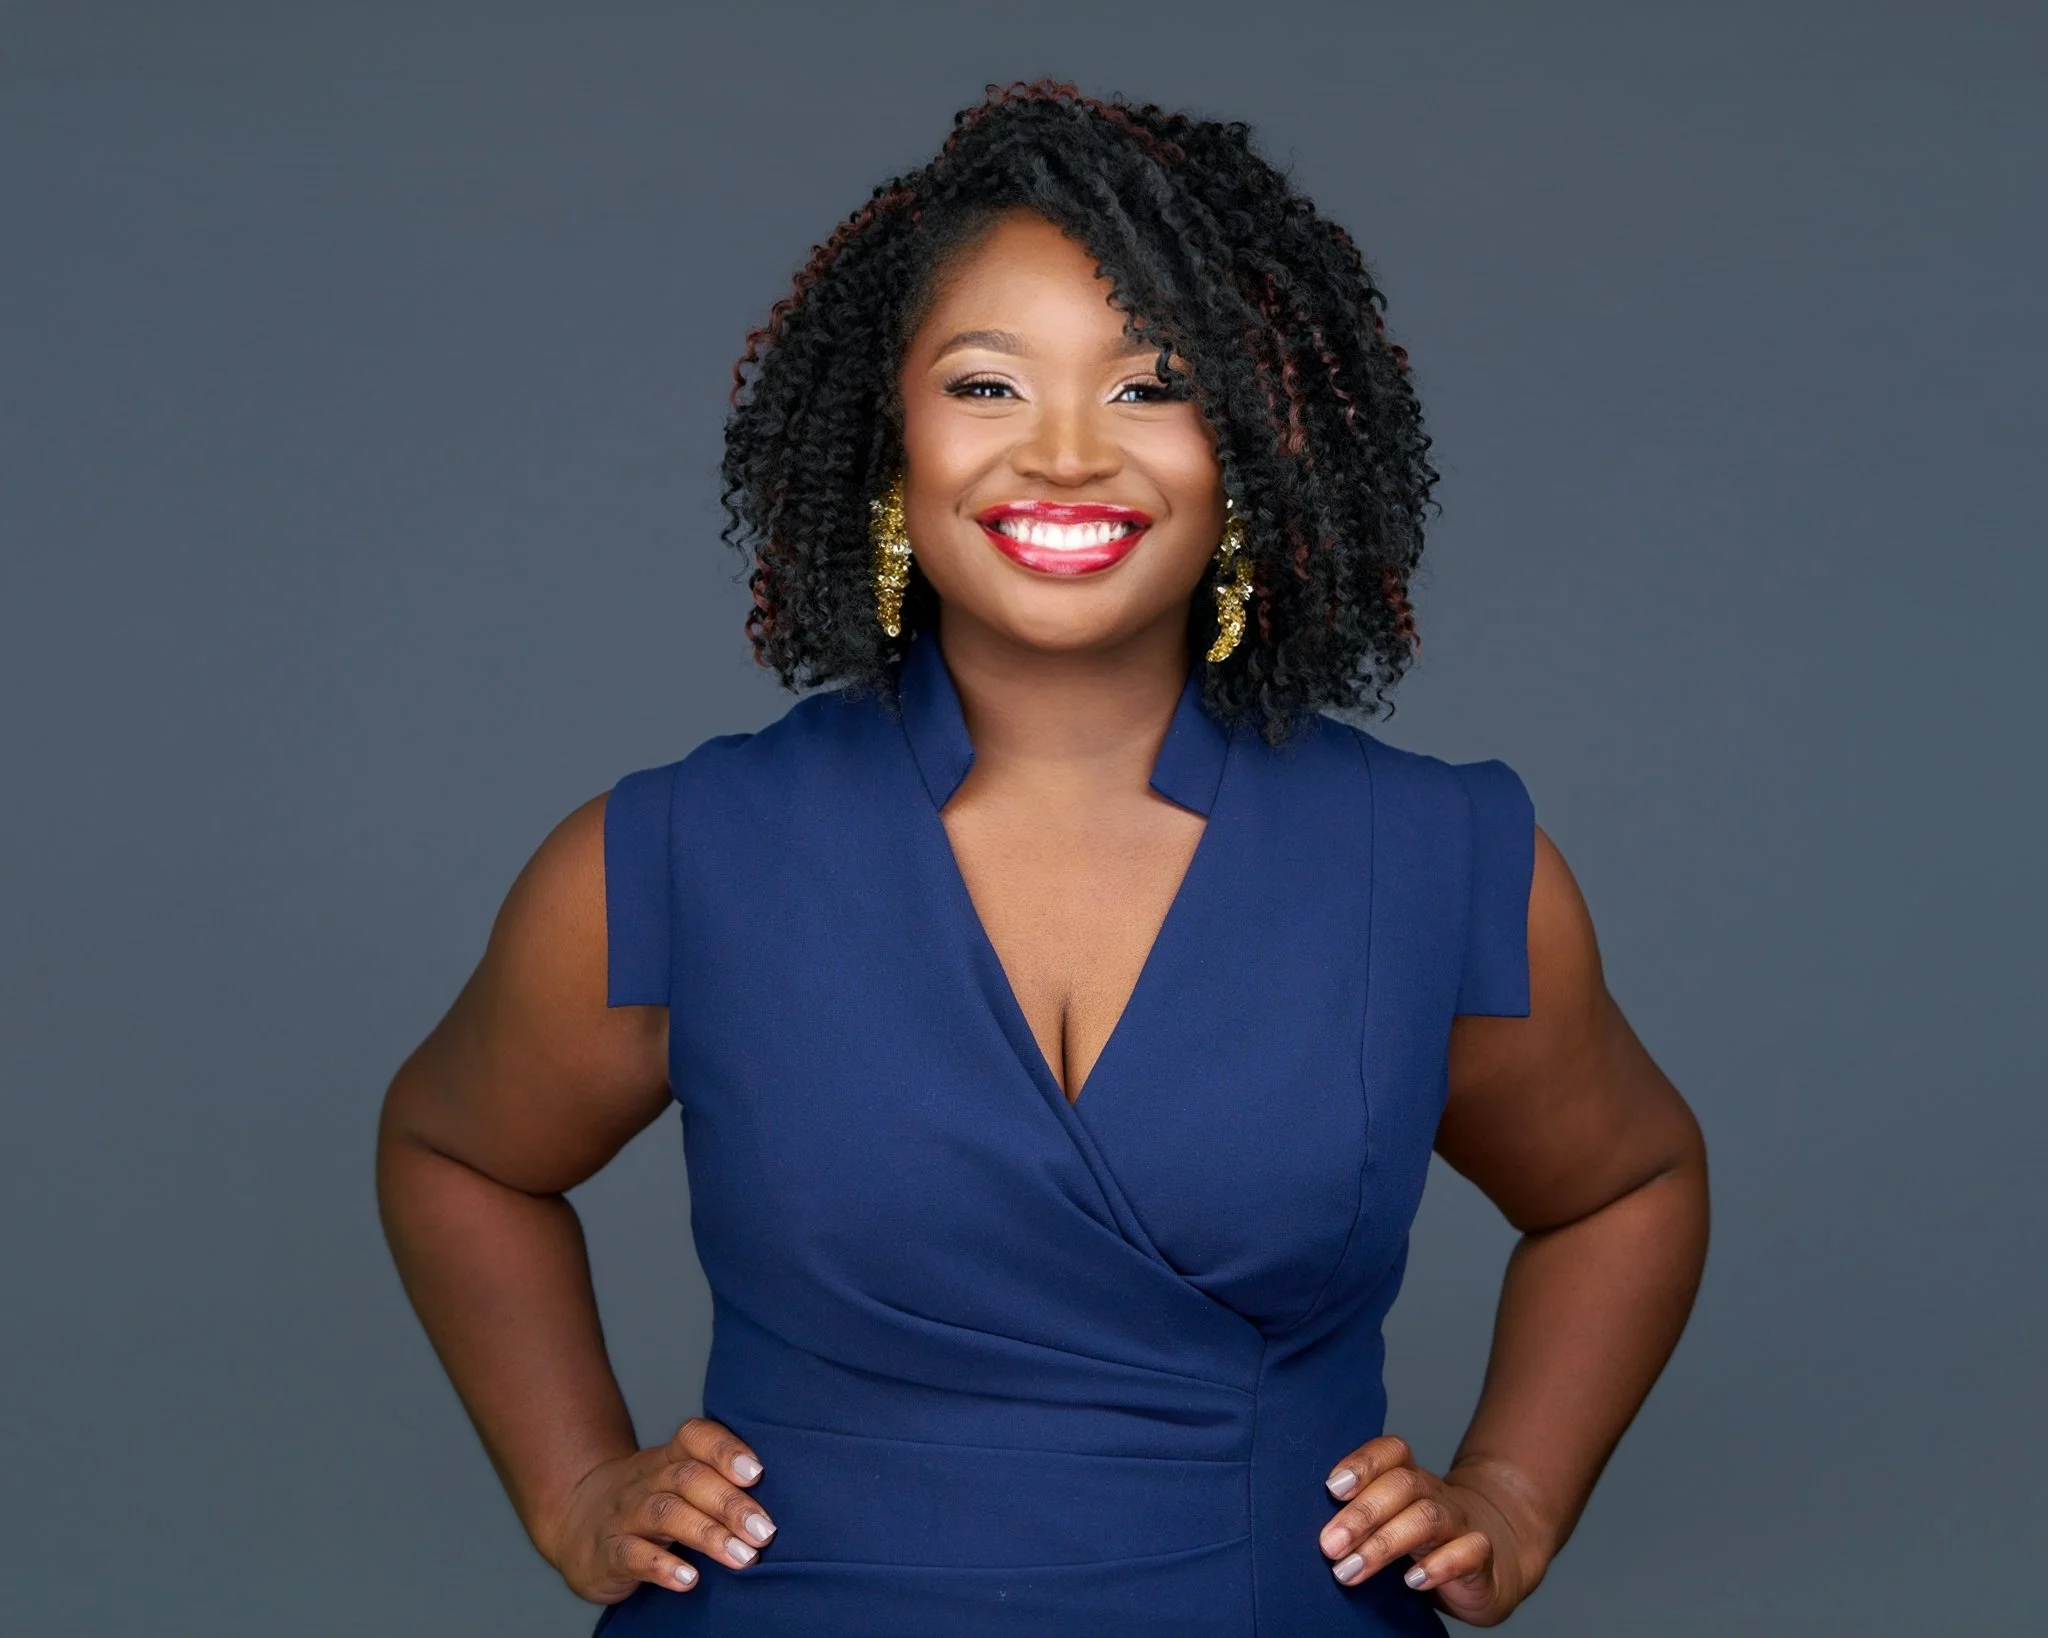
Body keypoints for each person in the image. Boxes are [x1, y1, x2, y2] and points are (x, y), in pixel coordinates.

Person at [376, 80, 1709, 1637]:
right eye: (989, 385)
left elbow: (1627, 1185)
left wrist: (1519, 1491)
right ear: (890, 434)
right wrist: (573, 1482)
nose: (1067, 456)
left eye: (1154, 385)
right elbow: (457, 1154)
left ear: (1257, 445)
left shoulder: (1436, 859)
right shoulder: (676, 856)